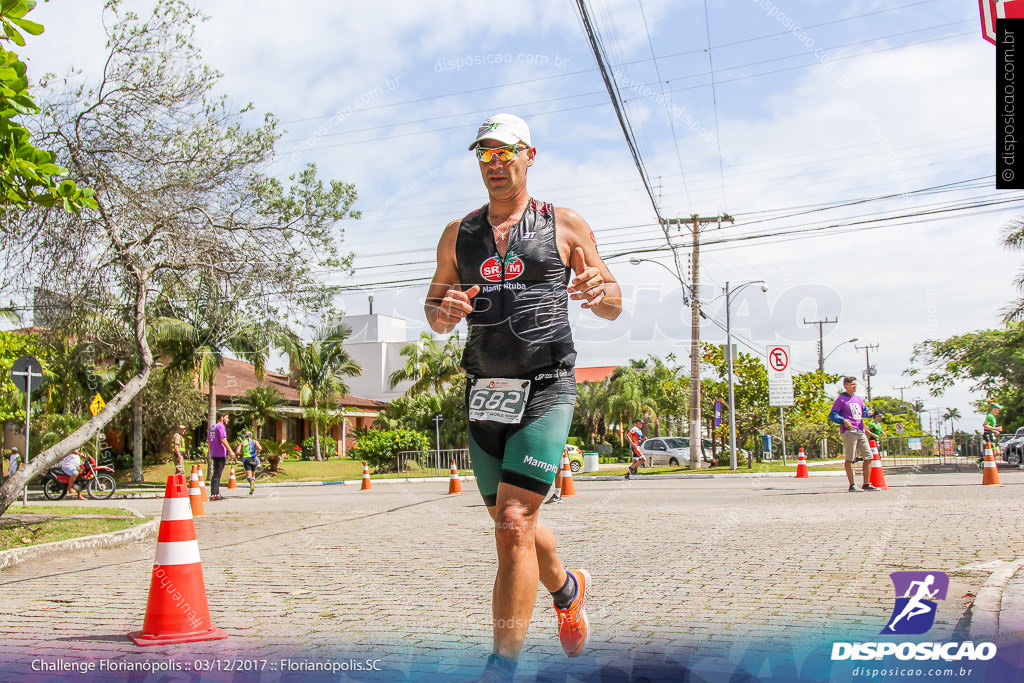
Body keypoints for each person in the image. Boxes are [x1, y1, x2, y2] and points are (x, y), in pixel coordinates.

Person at [424, 113, 622, 681]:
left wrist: (595, 291)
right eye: (483, 155)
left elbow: (612, 299)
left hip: (546, 385)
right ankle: (566, 587)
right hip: (484, 389)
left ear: (529, 155)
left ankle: (499, 668)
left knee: (513, 521)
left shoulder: (564, 223)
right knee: (514, 524)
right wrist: (445, 311)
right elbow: (435, 311)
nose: (493, 164)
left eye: (503, 153)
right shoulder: (457, 233)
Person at [829, 377, 879, 492]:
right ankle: (852, 484)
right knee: (850, 458)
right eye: (852, 384)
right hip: (849, 431)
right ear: (845, 385)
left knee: (868, 456)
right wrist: (843, 421)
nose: (854, 386)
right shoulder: (841, 399)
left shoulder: (858, 399)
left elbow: (864, 412)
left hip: (860, 430)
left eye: (855, 384)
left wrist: (869, 413)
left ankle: (866, 483)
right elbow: (832, 415)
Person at [207, 413, 231, 500]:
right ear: (221, 418)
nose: (227, 419)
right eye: (227, 417)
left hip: (214, 453)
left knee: (216, 474)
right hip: (220, 454)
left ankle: (215, 492)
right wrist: (230, 450)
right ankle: (214, 494)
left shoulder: (213, 427)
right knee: (217, 474)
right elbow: (223, 439)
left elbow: (209, 441)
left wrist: (210, 451)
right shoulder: (220, 426)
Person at [237, 430, 262, 495]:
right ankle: (252, 490)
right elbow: (260, 448)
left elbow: (237, 451)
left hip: (247, 459)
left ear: (245, 436)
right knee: (253, 475)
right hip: (254, 459)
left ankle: (251, 483)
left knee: (248, 476)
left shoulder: (242, 443)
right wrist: (257, 453)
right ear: (251, 436)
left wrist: (241, 453)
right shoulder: (254, 442)